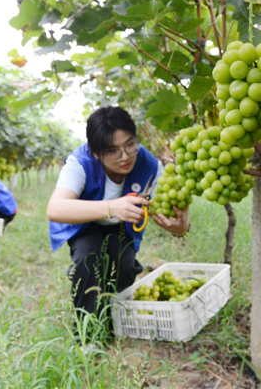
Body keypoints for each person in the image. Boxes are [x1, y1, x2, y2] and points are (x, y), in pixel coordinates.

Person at [47, 106, 190, 320]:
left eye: (130, 145)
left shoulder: (150, 165)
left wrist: (178, 227)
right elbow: (55, 208)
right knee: (88, 259)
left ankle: (116, 319)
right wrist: (111, 207)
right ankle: (88, 331)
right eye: (112, 151)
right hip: (86, 222)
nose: (125, 157)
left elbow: (178, 222)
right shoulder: (80, 163)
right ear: (96, 152)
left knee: (124, 266)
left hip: (121, 225)